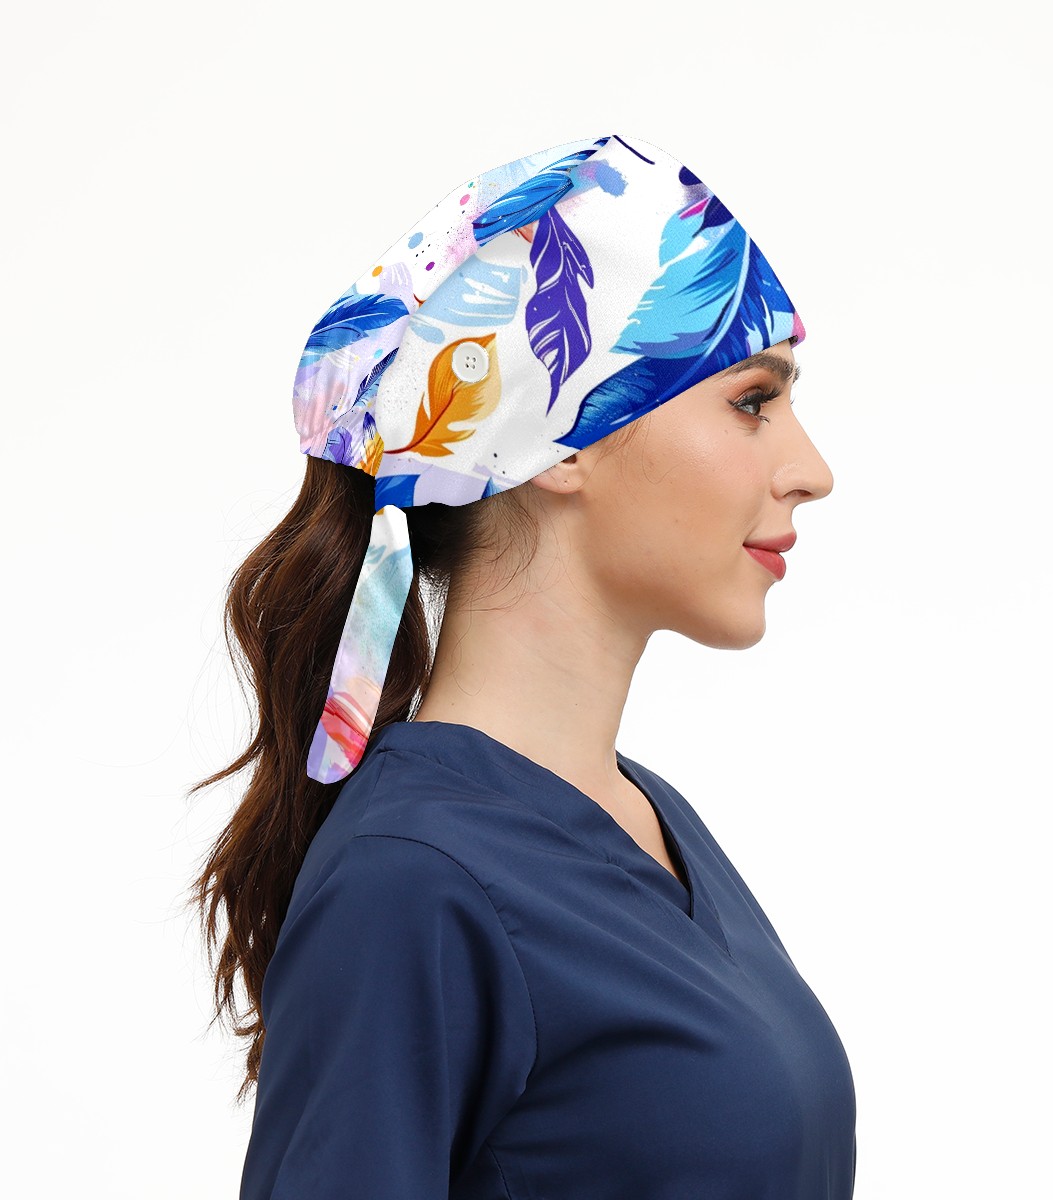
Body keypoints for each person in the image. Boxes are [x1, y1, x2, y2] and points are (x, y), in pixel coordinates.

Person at [189, 132, 857, 1198]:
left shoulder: (647, 819)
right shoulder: (412, 880)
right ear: (563, 440)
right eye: (751, 401)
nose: (810, 469)